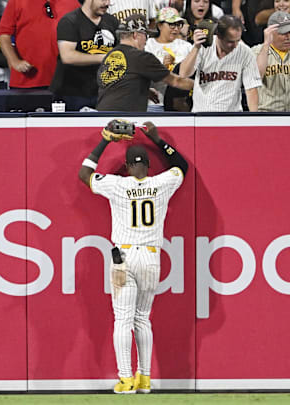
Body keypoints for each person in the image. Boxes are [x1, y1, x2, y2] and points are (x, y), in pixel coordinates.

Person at [78, 120, 187, 395]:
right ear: (148, 167)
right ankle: (145, 378)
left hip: (123, 258)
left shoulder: (117, 185)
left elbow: (84, 173)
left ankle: (126, 379)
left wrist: (105, 139)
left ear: (127, 167)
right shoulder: (162, 183)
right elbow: (181, 167)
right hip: (151, 257)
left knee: (122, 320)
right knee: (142, 318)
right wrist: (158, 139)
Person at [179, 14, 262, 111]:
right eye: (230, 41)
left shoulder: (245, 52)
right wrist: (196, 48)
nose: (235, 46)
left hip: (232, 117)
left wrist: (253, 119)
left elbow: (251, 89)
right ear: (218, 36)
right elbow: (183, 74)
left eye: (237, 40)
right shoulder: (203, 46)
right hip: (202, 115)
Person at [49, 0, 118, 110]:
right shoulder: (70, 21)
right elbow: (67, 56)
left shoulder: (112, 22)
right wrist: (104, 57)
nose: (107, 3)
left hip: (102, 93)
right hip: (71, 93)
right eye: (103, 0)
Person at [0, 0, 76, 89]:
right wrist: (14, 61)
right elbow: (4, 34)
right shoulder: (17, 1)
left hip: (68, 81)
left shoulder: (75, 2)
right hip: (27, 80)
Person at [144, 7, 193, 111]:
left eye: (178, 24)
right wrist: (161, 67)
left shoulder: (187, 47)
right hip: (154, 103)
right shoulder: (148, 45)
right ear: (160, 25)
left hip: (180, 103)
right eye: (172, 24)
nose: (176, 29)